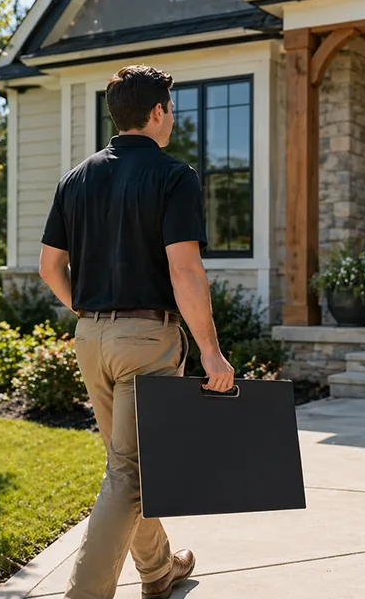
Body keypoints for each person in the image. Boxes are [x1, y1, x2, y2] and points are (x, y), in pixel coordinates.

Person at [38, 64, 235, 599]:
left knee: (126, 464)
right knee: (130, 472)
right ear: (156, 112)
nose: (173, 118)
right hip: (146, 341)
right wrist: (211, 352)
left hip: (89, 339)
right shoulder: (174, 176)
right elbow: (185, 270)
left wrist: (90, 311)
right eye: (171, 109)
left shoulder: (75, 178)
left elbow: (50, 268)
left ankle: (158, 569)